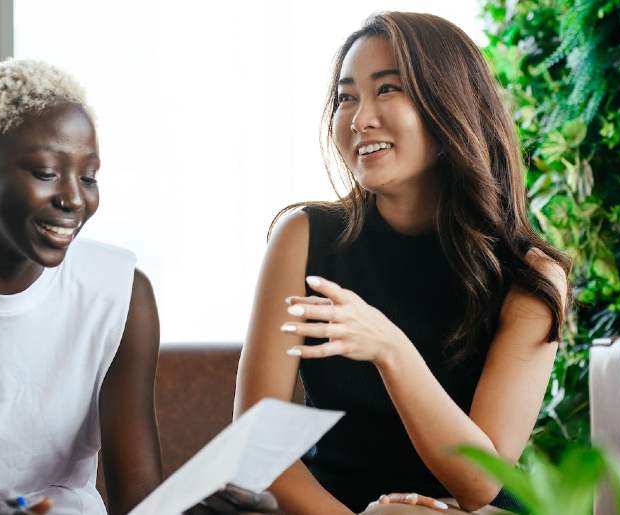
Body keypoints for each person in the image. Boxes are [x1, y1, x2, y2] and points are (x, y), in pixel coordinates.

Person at [0, 59, 275, 515]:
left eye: (88, 177)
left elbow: (138, 503)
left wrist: (195, 510)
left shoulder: (121, 293)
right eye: (46, 173)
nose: (74, 199)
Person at [234, 12, 570, 515]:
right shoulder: (303, 238)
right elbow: (258, 445)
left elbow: (483, 480)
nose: (359, 118)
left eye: (387, 89)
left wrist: (391, 349)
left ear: (450, 105)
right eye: (346, 97)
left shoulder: (529, 277)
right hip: (328, 505)